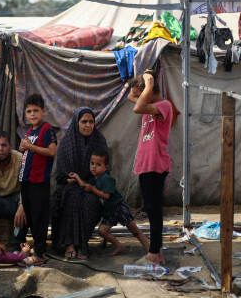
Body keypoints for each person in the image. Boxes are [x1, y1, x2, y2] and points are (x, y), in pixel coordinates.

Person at [69, 148, 151, 257]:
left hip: (119, 207)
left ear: (105, 167)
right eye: (92, 163)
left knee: (134, 230)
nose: (94, 166)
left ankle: (150, 251)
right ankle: (119, 246)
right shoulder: (93, 180)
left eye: (98, 164)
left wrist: (93, 189)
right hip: (109, 211)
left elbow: (106, 196)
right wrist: (77, 178)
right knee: (102, 230)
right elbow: (86, 187)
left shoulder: (106, 179)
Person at [128, 71, 173, 265]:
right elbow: (133, 98)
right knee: (151, 207)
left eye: (143, 93)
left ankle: (154, 253)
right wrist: (142, 86)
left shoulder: (164, 106)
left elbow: (137, 107)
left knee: (154, 210)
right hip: (146, 165)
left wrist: (147, 86)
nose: (138, 98)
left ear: (151, 90)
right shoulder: (149, 106)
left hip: (156, 164)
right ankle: (157, 253)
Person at [54, 107, 108, 260]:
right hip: (69, 187)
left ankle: (81, 243)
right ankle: (70, 244)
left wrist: (89, 184)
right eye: (84, 121)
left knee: (90, 201)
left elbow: (104, 171)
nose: (88, 125)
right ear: (76, 123)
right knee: (72, 198)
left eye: (91, 121)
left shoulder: (99, 140)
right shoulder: (66, 142)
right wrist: (72, 180)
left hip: (93, 187)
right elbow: (61, 175)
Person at [17, 94, 57, 266]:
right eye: (29, 111)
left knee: (39, 217)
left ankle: (40, 254)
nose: (32, 114)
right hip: (26, 180)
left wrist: (30, 147)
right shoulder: (31, 130)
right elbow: (29, 151)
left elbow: (52, 151)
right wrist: (22, 148)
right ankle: (34, 248)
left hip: (39, 181)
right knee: (31, 217)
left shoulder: (46, 128)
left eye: (36, 111)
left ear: (43, 111)